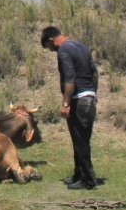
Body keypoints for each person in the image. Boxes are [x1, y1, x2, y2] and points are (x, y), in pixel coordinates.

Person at [41, 26, 100, 190]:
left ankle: (88, 180)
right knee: (80, 140)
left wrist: (65, 103)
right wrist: (93, 93)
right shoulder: (81, 46)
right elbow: (94, 73)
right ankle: (78, 175)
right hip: (89, 99)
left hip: (78, 101)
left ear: (51, 41)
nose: (51, 50)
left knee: (80, 142)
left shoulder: (63, 51)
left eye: (49, 47)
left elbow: (70, 78)